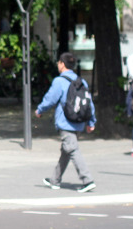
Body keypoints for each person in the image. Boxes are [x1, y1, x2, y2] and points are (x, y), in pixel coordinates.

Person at [35, 52, 96, 192]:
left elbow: (50, 99)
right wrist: (91, 122)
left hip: (65, 122)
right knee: (66, 150)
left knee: (72, 149)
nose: (58, 64)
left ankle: (87, 180)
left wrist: (40, 110)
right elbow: (89, 103)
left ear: (62, 64)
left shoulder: (59, 81)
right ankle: (55, 180)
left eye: (58, 62)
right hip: (79, 121)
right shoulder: (82, 81)